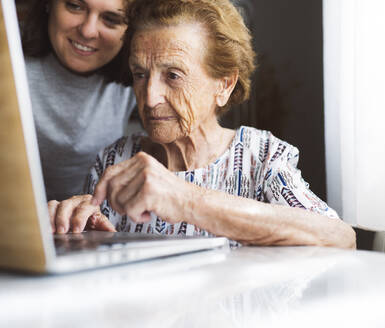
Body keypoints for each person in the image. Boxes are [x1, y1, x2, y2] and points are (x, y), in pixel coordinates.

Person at [48, 0, 356, 248]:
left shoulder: (261, 159)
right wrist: (67, 227)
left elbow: (340, 237)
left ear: (223, 84)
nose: (150, 97)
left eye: (173, 76)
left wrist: (186, 199)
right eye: (140, 74)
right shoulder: (114, 160)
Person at [22, 0, 137, 201]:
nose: (88, 31)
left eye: (111, 20)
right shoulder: (8, 59)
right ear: (49, 4)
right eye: (75, 6)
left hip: (88, 224)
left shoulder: (140, 75)